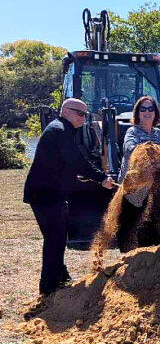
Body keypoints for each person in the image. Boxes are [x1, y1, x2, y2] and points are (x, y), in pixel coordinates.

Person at [23, 98, 114, 295]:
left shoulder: (62, 129)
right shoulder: (59, 130)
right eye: (80, 113)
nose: (84, 118)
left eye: (85, 114)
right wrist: (101, 178)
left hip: (50, 193)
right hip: (45, 195)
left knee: (57, 236)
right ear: (65, 111)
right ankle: (49, 287)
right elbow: (77, 161)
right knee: (55, 238)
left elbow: (66, 164)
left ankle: (60, 276)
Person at [116, 95, 160, 251]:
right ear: (137, 113)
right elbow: (131, 149)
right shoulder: (132, 132)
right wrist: (152, 153)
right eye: (143, 109)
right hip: (134, 186)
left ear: (155, 113)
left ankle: (153, 257)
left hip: (153, 185)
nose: (147, 112)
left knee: (154, 223)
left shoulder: (158, 133)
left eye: (150, 109)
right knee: (132, 224)